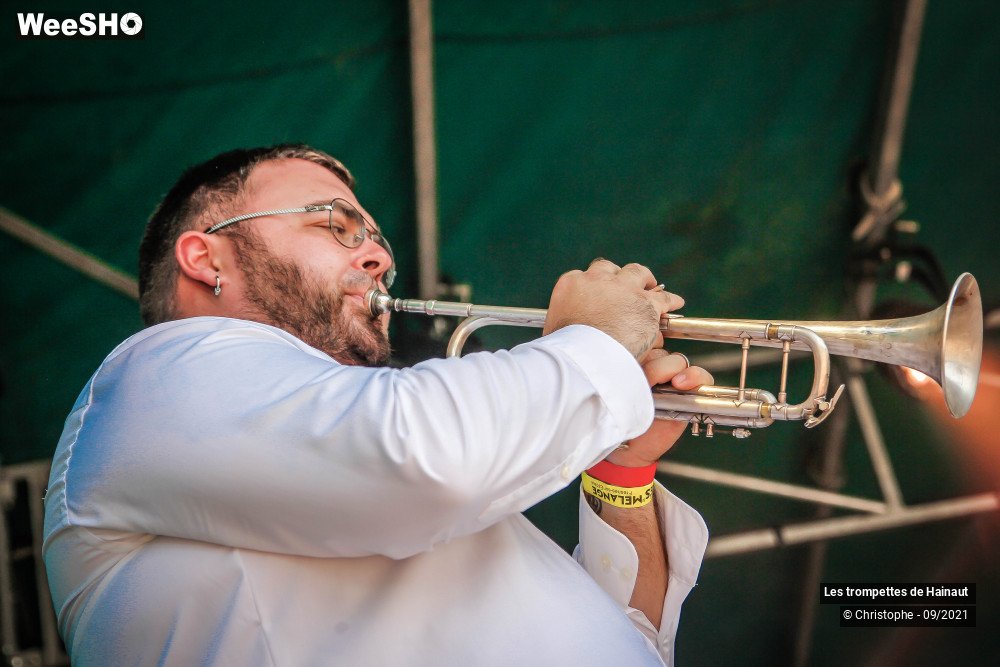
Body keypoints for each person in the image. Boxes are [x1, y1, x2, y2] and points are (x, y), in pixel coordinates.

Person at [42, 144, 712, 666]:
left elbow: (624, 637)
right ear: (205, 256)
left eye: (376, 242)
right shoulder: (154, 377)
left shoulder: (349, 438)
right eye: (334, 224)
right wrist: (591, 346)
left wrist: (621, 474)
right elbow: (426, 460)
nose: (379, 256)